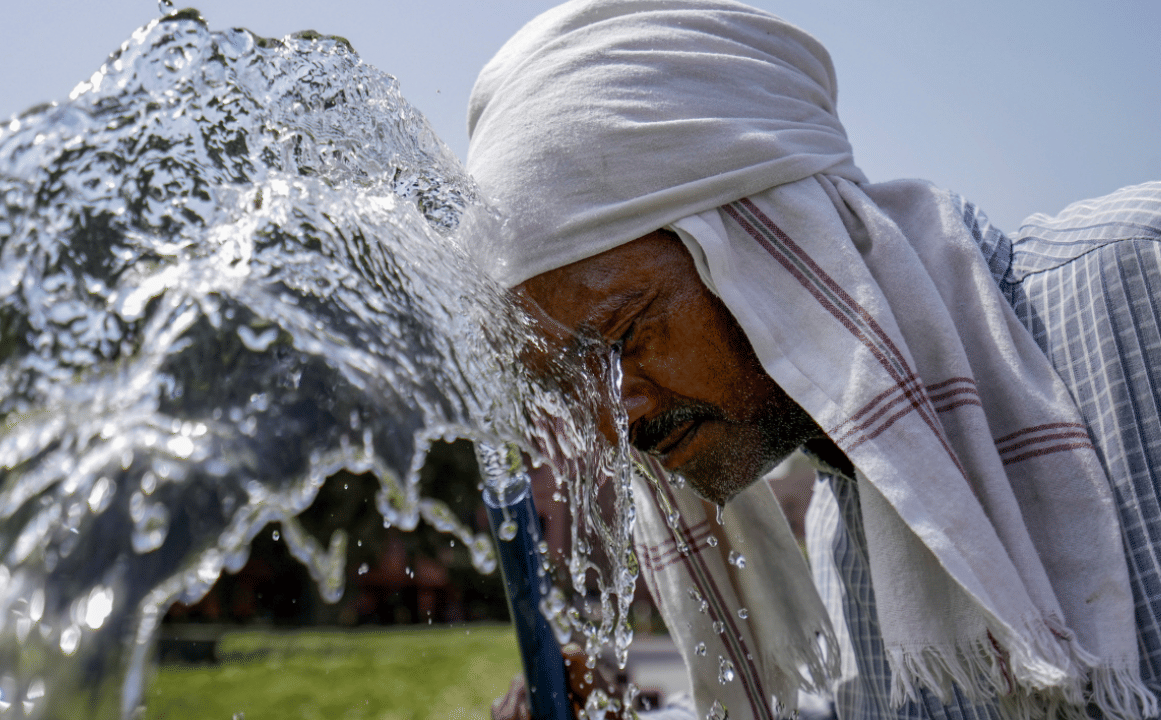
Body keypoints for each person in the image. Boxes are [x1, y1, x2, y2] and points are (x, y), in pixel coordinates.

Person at [465, 2, 1161, 720]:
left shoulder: (1140, 287)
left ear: (767, 240)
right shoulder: (851, 532)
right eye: (567, 385)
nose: (615, 425)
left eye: (619, 338)